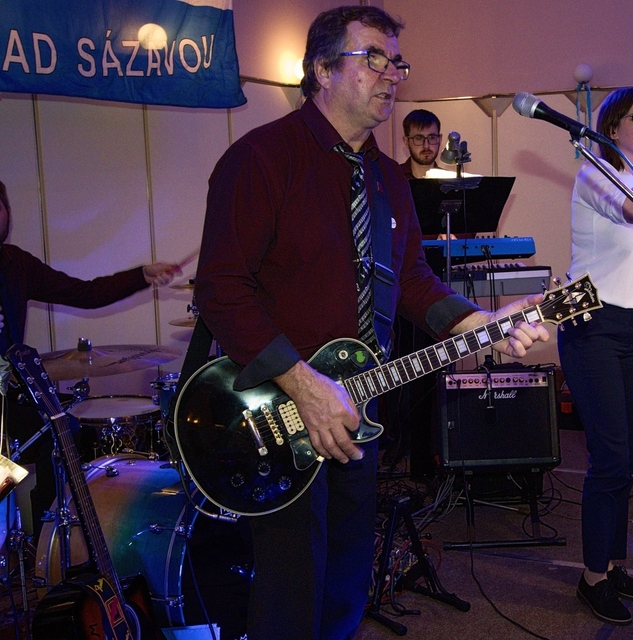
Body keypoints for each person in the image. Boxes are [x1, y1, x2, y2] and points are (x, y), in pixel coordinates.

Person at [193, 6, 547, 639]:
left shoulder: (386, 176)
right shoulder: (261, 158)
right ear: (322, 70)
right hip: (280, 408)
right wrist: (304, 385)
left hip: (359, 403)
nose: (391, 74)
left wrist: (482, 320)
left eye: (396, 62)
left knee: (346, 584)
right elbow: (220, 289)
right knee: (290, 592)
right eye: (373, 59)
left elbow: (411, 280)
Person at [558, 87, 633, 626]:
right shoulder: (594, 172)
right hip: (592, 325)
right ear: (612, 128)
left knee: (629, 456)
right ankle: (591, 578)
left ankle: (611, 564)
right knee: (609, 457)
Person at [0, 178, 181, 537]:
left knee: (63, 428)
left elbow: (85, 293)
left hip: (8, 398)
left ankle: (50, 539)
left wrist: (140, 276)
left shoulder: (13, 263)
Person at [400, 108, 442, 179]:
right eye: (419, 138)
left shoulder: (449, 181)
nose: (426, 146)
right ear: (406, 141)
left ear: (440, 139)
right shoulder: (392, 177)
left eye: (432, 137)